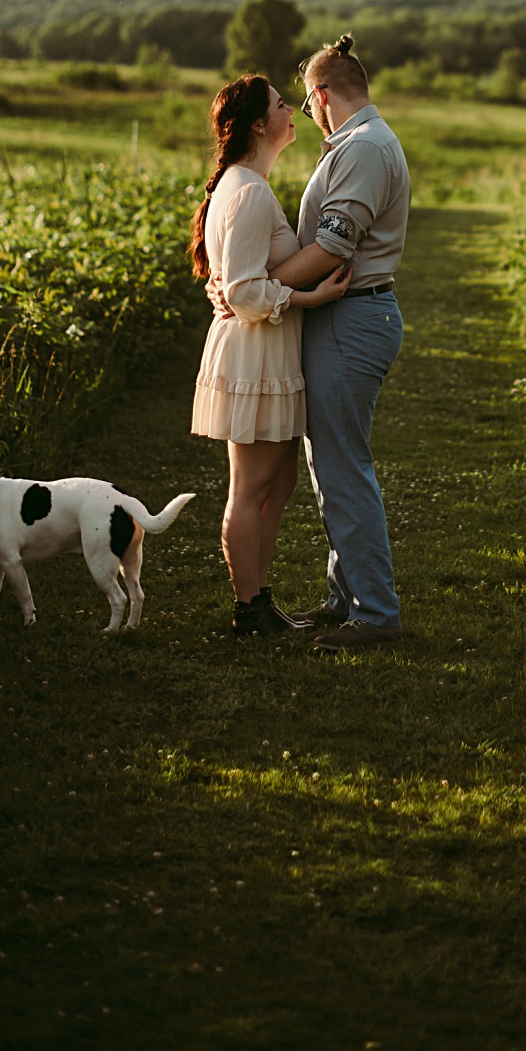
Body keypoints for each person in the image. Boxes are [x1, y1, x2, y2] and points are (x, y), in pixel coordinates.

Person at [189, 74, 351, 638]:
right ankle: (249, 607)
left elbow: (232, 280)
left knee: (277, 482)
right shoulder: (250, 190)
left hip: (266, 349)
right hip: (254, 353)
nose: (293, 111)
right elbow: (242, 292)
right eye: (283, 105)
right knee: (252, 487)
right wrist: (313, 294)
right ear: (261, 124)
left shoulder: (243, 183)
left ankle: (260, 599)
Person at [289, 34, 411, 651]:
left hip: (350, 317)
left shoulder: (363, 149)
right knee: (330, 463)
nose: (307, 114)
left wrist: (257, 284)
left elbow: (334, 245)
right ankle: (347, 592)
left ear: (322, 94)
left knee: (343, 467)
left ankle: (375, 611)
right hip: (348, 316)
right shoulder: (359, 143)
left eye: (307, 104)